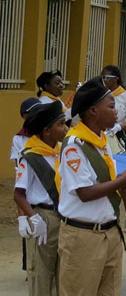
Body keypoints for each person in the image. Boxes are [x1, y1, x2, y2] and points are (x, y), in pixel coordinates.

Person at [57, 77, 126, 295]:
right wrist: (124, 180)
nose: (117, 113)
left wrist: (123, 180)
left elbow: (107, 180)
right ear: (93, 111)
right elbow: (85, 193)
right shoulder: (74, 146)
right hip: (84, 236)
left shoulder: (102, 140)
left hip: (109, 232)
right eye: (112, 107)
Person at [14, 101, 67, 295]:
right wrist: (31, 217)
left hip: (65, 215)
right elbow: (19, 194)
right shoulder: (30, 156)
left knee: (64, 274)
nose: (66, 128)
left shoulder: (63, 152)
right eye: (61, 124)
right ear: (47, 131)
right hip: (43, 216)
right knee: (41, 274)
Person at [11, 98, 41, 275]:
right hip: (29, 189)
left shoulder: (49, 132)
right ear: (25, 116)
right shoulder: (19, 138)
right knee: (30, 230)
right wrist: (20, 216)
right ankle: (31, 268)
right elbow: (19, 171)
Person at [101, 65, 126, 152]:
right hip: (102, 135)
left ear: (116, 79)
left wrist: (118, 127)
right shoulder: (101, 95)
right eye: (102, 78)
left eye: (106, 77)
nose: (103, 80)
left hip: (119, 135)